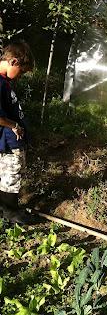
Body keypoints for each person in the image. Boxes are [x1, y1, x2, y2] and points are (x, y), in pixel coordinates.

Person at [0, 41, 37, 224]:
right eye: (21, 71)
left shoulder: (5, 82)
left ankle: (8, 210)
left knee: (12, 174)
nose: (19, 76)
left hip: (12, 140)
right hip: (7, 141)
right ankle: (10, 213)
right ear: (13, 61)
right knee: (11, 175)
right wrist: (13, 125)